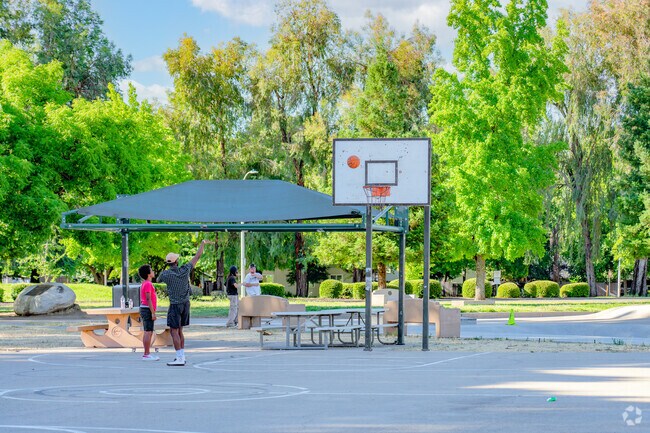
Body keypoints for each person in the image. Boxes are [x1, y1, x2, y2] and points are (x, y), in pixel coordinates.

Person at [157, 239, 213, 366]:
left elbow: (158, 279)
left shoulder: (166, 274)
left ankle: (179, 357)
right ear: (176, 261)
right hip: (186, 303)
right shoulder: (185, 270)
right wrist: (202, 243)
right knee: (180, 331)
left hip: (175, 305)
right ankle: (182, 355)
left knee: (173, 331)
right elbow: (197, 256)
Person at [138, 264, 159, 361]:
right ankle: (146, 354)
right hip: (147, 309)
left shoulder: (146, 283)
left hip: (146, 309)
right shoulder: (147, 284)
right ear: (148, 274)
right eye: (151, 270)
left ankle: (147, 353)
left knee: (149, 331)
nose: (153, 272)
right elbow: (148, 298)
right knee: (148, 332)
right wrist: (152, 312)